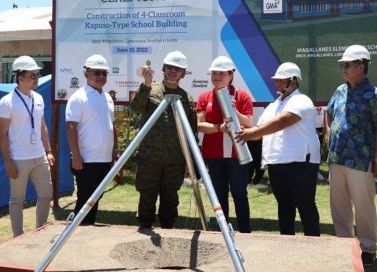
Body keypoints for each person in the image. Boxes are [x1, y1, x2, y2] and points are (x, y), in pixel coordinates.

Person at [237, 62, 320, 236]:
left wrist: (251, 133)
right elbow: (259, 132)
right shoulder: (273, 106)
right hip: (277, 164)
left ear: (294, 81)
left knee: (305, 206)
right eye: (277, 80)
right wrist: (238, 129)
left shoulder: (302, 100)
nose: (278, 84)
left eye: (282, 80)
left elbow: (282, 122)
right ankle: (287, 245)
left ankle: (314, 245)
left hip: (301, 163)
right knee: (284, 207)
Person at [325, 45, 377, 266]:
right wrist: (328, 134)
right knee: (339, 205)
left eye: (347, 64)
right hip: (337, 158)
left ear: (361, 66)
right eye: (342, 64)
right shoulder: (339, 90)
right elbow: (329, 113)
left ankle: (368, 248)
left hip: (360, 160)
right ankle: (345, 244)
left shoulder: (374, 94)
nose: (343, 68)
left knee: (364, 206)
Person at [130, 51, 196, 229]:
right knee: (147, 195)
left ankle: (168, 230)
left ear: (183, 73)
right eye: (170, 67)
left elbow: (192, 132)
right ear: (163, 69)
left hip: (174, 160)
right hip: (150, 157)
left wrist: (192, 163)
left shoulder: (187, 98)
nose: (173, 71)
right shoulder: (151, 90)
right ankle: (145, 228)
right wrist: (146, 84)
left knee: (170, 198)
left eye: (178, 69)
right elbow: (136, 108)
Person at [0, 56, 54, 237]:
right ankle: (18, 237)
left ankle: (40, 230)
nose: (36, 78)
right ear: (20, 77)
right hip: (19, 158)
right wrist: (7, 162)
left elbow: (42, 125)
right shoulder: (7, 102)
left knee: (46, 194)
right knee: (17, 199)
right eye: (32, 75)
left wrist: (49, 150)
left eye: (37, 75)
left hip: (39, 156)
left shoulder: (38, 98)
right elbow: (2, 134)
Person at [196, 56, 253, 233]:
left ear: (231, 75)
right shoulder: (204, 97)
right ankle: (222, 232)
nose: (217, 76)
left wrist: (235, 112)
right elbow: (199, 125)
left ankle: (244, 231)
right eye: (214, 73)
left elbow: (249, 123)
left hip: (237, 155)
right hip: (213, 155)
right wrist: (219, 128)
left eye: (221, 72)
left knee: (239, 194)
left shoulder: (242, 96)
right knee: (219, 196)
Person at [66, 54, 117, 225]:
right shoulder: (78, 97)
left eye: (104, 73)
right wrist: (76, 155)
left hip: (104, 159)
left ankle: (88, 230)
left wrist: (114, 152)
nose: (101, 77)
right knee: (85, 199)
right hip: (86, 159)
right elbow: (71, 128)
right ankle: (77, 231)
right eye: (97, 73)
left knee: (96, 197)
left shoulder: (107, 97)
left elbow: (112, 126)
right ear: (86, 73)